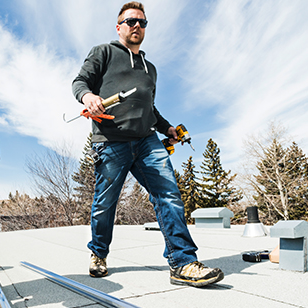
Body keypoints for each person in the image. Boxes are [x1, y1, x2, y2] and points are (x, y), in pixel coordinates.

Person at [71, 1, 224, 287]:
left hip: (146, 142)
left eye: (142, 22)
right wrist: (87, 98)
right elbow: (80, 82)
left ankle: (183, 262)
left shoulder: (149, 68)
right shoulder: (103, 52)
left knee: (168, 194)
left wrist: (167, 128)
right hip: (111, 141)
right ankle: (99, 254)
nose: (137, 26)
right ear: (119, 27)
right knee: (105, 204)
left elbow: (150, 110)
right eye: (131, 21)